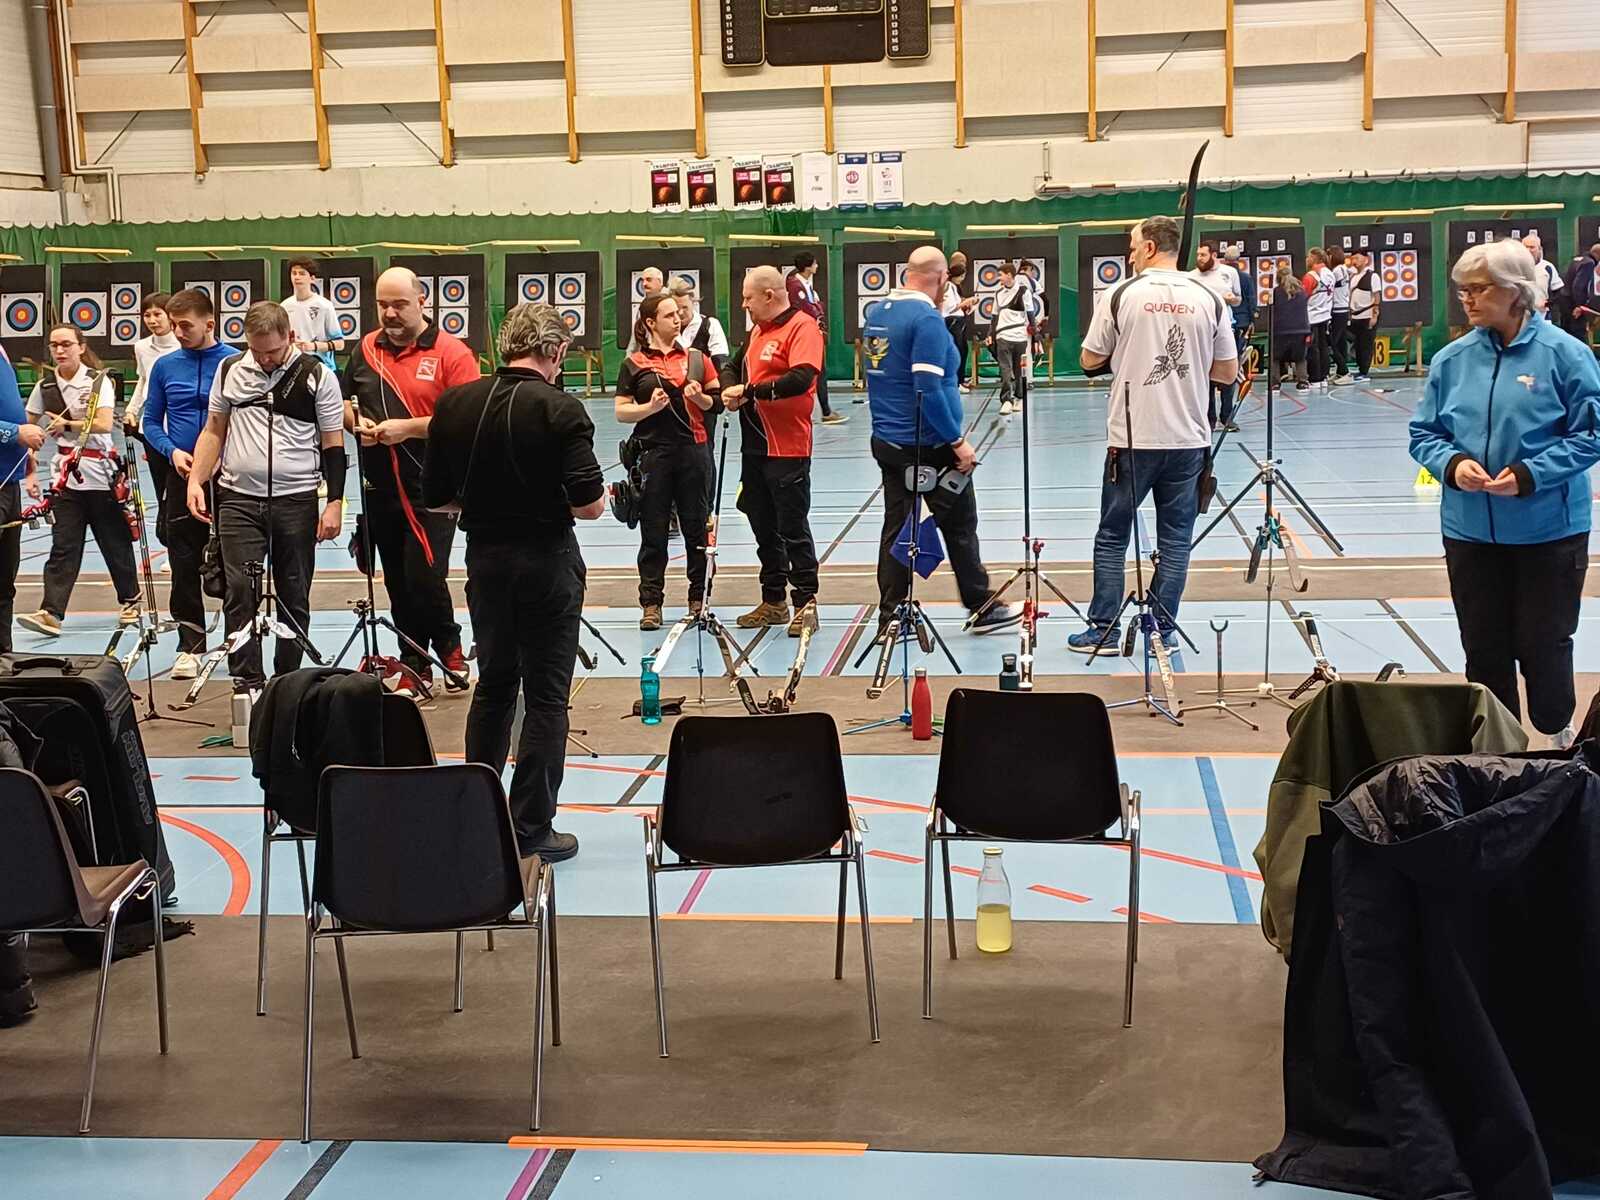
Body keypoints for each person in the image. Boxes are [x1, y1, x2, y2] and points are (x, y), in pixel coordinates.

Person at [422, 303, 605, 864]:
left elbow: (437, 497)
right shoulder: (560, 408)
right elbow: (590, 505)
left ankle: (477, 817)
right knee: (547, 697)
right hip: (547, 561)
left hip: (486, 561)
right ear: (554, 351)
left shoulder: (455, 403)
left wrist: (487, 502)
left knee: (495, 686)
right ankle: (531, 827)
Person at [1411, 239, 1600, 749]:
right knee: (1483, 649)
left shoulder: (1566, 355)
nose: (1467, 299)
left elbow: (1593, 433)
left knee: (1545, 644)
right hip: (1470, 532)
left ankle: (1557, 733)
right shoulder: (1452, 360)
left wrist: (1531, 474)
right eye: (1463, 290)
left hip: (1549, 532)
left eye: (1479, 289)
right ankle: (1498, 751)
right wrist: (1452, 465)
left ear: (1516, 292)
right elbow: (1424, 433)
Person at [1070, 216, 1238, 653]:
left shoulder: (1121, 294)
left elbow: (1088, 360)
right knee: (1176, 540)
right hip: (1189, 440)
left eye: (1132, 246)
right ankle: (1162, 632)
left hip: (1133, 439)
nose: (1129, 255)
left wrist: (1129, 353)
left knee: (1113, 535)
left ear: (1148, 248)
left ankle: (1103, 629)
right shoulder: (1210, 298)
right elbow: (1227, 372)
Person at [186, 302, 346, 696]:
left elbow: (333, 443)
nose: (264, 359)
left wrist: (335, 502)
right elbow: (214, 430)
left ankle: (286, 682)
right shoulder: (230, 370)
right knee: (240, 592)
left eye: (272, 351)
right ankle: (248, 682)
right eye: (256, 351)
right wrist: (196, 480)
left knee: (293, 593)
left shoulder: (318, 376)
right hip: (238, 500)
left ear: (290, 337)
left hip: (296, 502)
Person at [863, 246, 1019, 636]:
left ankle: (891, 616)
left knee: (899, 528)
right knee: (960, 522)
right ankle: (980, 604)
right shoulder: (926, 320)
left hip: (889, 441)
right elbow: (927, 388)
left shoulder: (878, 314)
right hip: (929, 444)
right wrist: (956, 441)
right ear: (942, 279)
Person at [341, 266, 480, 697]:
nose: (390, 313)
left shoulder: (452, 353)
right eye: (382, 305)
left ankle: (447, 648)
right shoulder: (366, 350)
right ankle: (417, 662)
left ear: (422, 301)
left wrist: (407, 428)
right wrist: (356, 423)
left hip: (434, 488)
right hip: (379, 486)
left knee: (424, 575)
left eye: (399, 304)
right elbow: (344, 403)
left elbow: (467, 418)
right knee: (398, 582)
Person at [17, 324, 141, 637]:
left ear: (81, 347)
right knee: (63, 546)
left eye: (66, 344)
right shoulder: (45, 387)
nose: (60, 350)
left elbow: (102, 424)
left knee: (114, 542)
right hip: (65, 480)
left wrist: (68, 424)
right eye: (54, 345)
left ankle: (131, 601)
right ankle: (51, 612)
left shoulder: (98, 381)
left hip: (101, 476)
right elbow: (28, 431)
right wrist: (30, 472)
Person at [721, 265, 823, 636]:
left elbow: (801, 378)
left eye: (748, 297)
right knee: (762, 525)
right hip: (755, 447)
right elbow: (731, 366)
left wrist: (750, 392)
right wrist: (730, 388)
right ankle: (773, 600)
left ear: (769, 295)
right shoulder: (757, 331)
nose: (744, 305)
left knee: (792, 528)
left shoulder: (802, 327)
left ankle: (806, 604)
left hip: (787, 447)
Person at [142, 289, 236, 679]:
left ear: (209, 324)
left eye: (185, 326)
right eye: (174, 325)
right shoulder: (164, 367)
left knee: (235, 562)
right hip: (181, 476)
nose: (178, 333)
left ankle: (238, 643)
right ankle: (190, 645)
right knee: (182, 562)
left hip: (229, 477)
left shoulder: (235, 363)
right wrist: (172, 452)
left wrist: (222, 456)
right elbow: (150, 422)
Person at [615, 292, 717, 631]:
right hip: (654, 456)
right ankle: (651, 603)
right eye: (669, 315)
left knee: (696, 529)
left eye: (678, 314)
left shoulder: (698, 359)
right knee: (653, 532)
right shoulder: (634, 364)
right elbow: (621, 411)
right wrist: (649, 408)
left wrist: (700, 398)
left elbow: (717, 403)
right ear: (650, 323)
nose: (677, 319)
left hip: (694, 452)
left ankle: (698, 599)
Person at [0, 346, 47, 651]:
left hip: (8, 483)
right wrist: (14, 433)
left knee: (4, 583)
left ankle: (3, 659)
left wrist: (24, 454)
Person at [124, 292, 178, 545]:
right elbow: (143, 380)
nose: (152, 320)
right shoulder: (141, 347)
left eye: (158, 314)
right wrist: (132, 410)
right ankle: (170, 546)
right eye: (147, 315)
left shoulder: (183, 345)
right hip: (152, 430)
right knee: (161, 490)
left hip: (178, 428)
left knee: (179, 489)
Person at [671, 279, 729, 512]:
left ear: (693, 303)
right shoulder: (666, 329)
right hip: (673, 405)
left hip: (703, 403)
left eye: (684, 308)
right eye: (675, 309)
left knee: (703, 455)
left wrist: (722, 394)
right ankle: (675, 510)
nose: (680, 314)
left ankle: (705, 509)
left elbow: (721, 363)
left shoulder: (709, 325)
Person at [787, 251, 846, 425]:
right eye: (814, 263)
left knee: (820, 371)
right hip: (804, 333)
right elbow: (805, 308)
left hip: (812, 331)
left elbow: (814, 307)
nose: (817, 266)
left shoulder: (805, 284)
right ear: (808, 266)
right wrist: (816, 310)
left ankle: (826, 411)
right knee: (813, 371)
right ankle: (822, 411)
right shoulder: (795, 286)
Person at [1191, 241, 1243, 428]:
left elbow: (1239, 299)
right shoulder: (1191, 277)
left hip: (1226, 328)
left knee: (1229, 374)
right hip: (1202, 332)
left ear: (1214, 255)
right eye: (1198, 255)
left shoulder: (1229, 273)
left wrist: (1232, 299)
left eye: (1203, 255)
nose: (1199, 258)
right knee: (1205, 377)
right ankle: (1209, 418)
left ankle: (1227, 417)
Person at [989, 261, 1037, 416]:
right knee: (1005, 369)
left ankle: (1019, 398)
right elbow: (994, 317)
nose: (999, 278)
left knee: (1018, 370)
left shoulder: (1024, 292)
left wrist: (1036, 338)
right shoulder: (998, 293)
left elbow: (1030, 315)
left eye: (1001, 275)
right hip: (1003, 336)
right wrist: (990, 335)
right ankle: (1006, 400)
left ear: (1009, 275)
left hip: (1020, 337)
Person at [280, 257, 345, 371]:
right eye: (294, 273)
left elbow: (340, 344)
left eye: (302, 273)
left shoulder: (325, 305)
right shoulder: (284, 306)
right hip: (293, 366)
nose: (297, 277)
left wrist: (312, 346)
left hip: (322, 367)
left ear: (312, 278)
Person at [1270, 266, 1311, 393]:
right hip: (1301, 329)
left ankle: (1275, 384)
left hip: (1281, 330)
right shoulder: (1302, 291)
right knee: (1300, 358)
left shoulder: (1276, 292)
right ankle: (1303, 382)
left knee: (1275, 358)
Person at [943, 252, 977, 390]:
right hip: (953, 322)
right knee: (957, 351)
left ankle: (960, 380)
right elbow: (950, 307)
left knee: (963, 350)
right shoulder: (947, 286)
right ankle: (955, 382)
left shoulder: (954, 287)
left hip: (959, 321)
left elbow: (958, 304)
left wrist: (968, 305)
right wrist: (967, 301)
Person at [1302, 249, 1335, 391]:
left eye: (1308, 257)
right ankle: (1324, 377)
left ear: (1315, 258)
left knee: (1312, 348)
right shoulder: (1330, 274)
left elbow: (1303, 297)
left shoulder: (1310, 276)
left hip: (1312, 316)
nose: (1306, 259)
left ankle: (1315, 378)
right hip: (1325, 315)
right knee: (1323, 347)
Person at [1346, 250, 1380, 383]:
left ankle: (1364, 372)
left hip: (1367, 315)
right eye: (1353, 258)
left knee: (1366, 345)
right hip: (1355, 317)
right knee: (1358, 345)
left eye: (1358, 258)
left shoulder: (1373, 276)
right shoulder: (1353, 276)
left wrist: (1374, 316)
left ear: (1366, 260)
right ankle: (1359, 369)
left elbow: (1376, 297)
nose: (1355, 261)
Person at [1561, 243, 1600, 342]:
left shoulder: (1577, 259)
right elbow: (1578, 286)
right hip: (1574, 307)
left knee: (1567, 336)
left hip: (1565, 303)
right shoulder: (1589, 263)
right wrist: (1580, 306)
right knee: (1578, 337)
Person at [1521, 233, 1564, 319]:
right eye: (1525, 247)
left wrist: (1548, 304)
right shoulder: (1515, 267)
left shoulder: (1547, 267)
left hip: (1543, 316)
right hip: (1520, 317)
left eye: (1532, 247)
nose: (1528, 250)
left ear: (1539, 249)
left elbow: (1559, 292)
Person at [1327, 246, 1353, 385]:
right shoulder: (1344, 269)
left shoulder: (1337, 271)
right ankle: (1340, 372)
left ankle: (1345, 371)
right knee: (1340, 342)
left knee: (1332, 343)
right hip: (1343, 309)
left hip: (1338, 310)